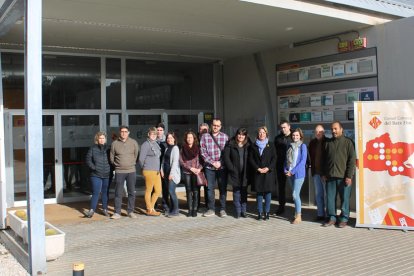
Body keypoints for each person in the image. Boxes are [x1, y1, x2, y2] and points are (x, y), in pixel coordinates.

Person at [322, 121, 356, 228]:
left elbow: (352, 160)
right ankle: (332, 217)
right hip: (330, 177)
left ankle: (344, 218)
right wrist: (324, 173)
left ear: (341, 129)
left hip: (344, 177)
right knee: (330, 199)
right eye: (332, 129)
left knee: (345, 199)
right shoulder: (328, 143)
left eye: (335, 129)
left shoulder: (348, 142)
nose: (333, 131)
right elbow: (324, 160)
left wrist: (349, 176)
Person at [200, 118, 229, 217]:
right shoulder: (205, 137)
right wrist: (213, 162)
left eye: (218, 125)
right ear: (211, 125)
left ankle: (222, 209)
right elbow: (203, 152)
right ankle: (211, 209)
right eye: (214, 125)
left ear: (220, 126)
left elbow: (227, 153)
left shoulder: (225, 137)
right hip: (209, 168)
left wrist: (220, 162)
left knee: (222, 188)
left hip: (222, 168)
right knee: (210, 189)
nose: (216, 127)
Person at [110, 126, 139, 219]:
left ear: (128, 132)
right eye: (122, 131)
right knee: (118, 192)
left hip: (131, 171)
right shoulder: (114, 143)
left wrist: (130, 163)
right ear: (119, 132)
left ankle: (130, 211)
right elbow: (111, 157)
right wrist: (117, 165)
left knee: (131, 192)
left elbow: (136, 155)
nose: (123, 133)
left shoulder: (133, 142)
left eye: (125, 131)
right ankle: (117, 212)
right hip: (119, 171)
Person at [223, 127, 252, 218]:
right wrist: (232, 168)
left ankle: (244, 211)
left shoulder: (248, 145)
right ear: (236, 135)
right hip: (234, 172)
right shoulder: (230, 144)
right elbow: (226, 158)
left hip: (245, 173)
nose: (241, 136)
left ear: (245, 136)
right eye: (239, 134)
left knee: (244, 192)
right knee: (236, 192)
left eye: (243, 135)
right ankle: (238, 211)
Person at [249, 126, 276, 220]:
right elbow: (251, 159)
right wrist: (257, 168)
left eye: (263, 132)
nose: (261, 134)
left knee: (268, 193)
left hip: (268, 173)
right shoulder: (253, 145)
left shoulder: (271, 144)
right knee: (259, 194)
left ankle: (267, 212)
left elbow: (274, 158)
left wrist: (268, 168)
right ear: (258, 134)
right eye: (260, 132)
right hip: (258, 173)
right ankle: (259, 212)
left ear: (266, 134)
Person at [85, 131, 111, 218]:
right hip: (96, 174)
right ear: (97, 139)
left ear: (105, 139)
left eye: (103, 138)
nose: (101, 140)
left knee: (105, 192)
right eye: (100, 138)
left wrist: (111, 169)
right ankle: (92, 210)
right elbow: (88, 160)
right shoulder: (92, 148)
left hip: (107, 174)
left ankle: (105, 209)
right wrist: (94, 168)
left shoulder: (109, 148)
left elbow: (113, 159)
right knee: (96, 192)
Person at [284, 128, 308, 224]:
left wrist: (292, 171)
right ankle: (296, 213)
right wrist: (285, 169)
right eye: (293, 135)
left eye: (297, 135)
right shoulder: (289, 146)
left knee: (295, 194)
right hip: (289, 174)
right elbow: (286, 160)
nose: (295, 137)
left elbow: (302, 162)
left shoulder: (303, 146)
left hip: (298, 174)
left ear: (300, 136)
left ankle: (299, 216)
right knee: (294, 196)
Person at [139, 127, 162, 216]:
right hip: (149, 170)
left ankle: (151, 208)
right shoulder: (146, 144)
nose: (153, 135)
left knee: (158, 190)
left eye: (155, 134)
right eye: (152, 134)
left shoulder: (156, 144)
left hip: (156, 171)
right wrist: (144, 168)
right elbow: (141, 159)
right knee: (149, 190)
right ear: (148, 134)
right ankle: (150, 209)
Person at [179, 131, 203, 217]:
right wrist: (191, 168)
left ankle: (195, 209)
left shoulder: (198, 148)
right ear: (186, 139)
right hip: (187, 172)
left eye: (191, 137)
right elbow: (181, 162)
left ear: (194, 139)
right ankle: (189, 209)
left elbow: (201, 160)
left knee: (196, 191)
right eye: (188, 137)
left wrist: (199, 169)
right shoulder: (183, 148)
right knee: (188, 191)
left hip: (196, 172)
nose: (189, 139)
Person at [160, 132, 181, 217]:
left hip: (172, 173)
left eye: (171, 138)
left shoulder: (175, 148)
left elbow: (175, 162)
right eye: (168, 138)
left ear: (174, 139)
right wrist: (161, 170)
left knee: (171, 191)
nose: (169, 139)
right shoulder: (166, 148)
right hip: (165, 171)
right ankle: (172, 209)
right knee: (168, 191)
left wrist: (171, 174)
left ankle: (176, 210)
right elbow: (163, 161)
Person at [308, 124, 326, 221]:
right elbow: (310, 156)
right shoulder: (312, 143)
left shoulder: (328, 142)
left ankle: (328, 215)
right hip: (316, 173)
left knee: (327, 195)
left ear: (324, 132)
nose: (318, 133)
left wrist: (325, 173)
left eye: (320, 132)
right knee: (318, 194)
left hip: (325, 174)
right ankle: (320, 214)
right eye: (316, 132)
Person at [274, 120, 292, 215]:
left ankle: (297, 209)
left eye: (284, 127)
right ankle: (281, 206)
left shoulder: (294, 136)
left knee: (295, 187)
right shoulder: (277, 138)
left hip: (292, 166)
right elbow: (275, 153)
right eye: (281, 128)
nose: (283, 129)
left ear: (289, 126)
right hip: (280, 165)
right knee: (281, 187)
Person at [155, 123, 168, 213]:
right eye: (158, 130)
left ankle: (165, 205)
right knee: (154, 187)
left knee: (165, 187)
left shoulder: (167, 141)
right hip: (154, 168)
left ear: (164, 131)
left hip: (164, 168)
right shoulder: (152, 141)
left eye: (161, 130)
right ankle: (154, 204)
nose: (159, 132)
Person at [197, 123, 210, 211]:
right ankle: (197, 206)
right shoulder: (195, 140)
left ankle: (208, 206)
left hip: (207, 167)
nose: (203, 131)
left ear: (208, 130)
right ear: (199, 130)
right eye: (201, 129)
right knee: (196, 187)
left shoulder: (210, 139)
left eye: (205, 129)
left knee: (207, 187)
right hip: (196, 168)